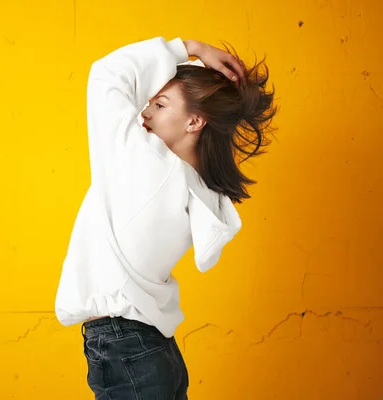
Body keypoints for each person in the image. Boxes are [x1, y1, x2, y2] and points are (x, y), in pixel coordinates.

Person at [54, 36, 277, 399]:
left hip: (125, 346)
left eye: (160, 104)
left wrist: (191, 47)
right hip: (152, 349)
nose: (144, 113)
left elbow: (107, 74)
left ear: (193, 121)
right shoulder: (199, 187)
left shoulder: (148, 163)